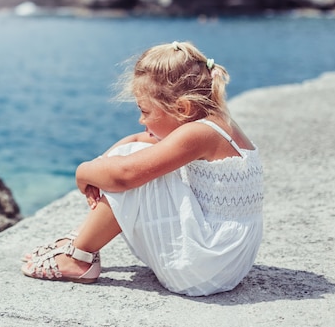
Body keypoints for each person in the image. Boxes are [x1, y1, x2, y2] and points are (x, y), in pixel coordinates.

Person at [21, 41, 263, 296]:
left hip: (203, 265)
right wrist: (100, 166)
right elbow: (138, 140)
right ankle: (80, 240)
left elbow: (124, 176)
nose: (141, 120)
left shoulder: (198, 133)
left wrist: (83, 171)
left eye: (145, 111)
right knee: (131, 156)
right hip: (224, 262)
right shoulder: (214, 122)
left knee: (132, 171)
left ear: (182, 108)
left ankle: (78, 256)